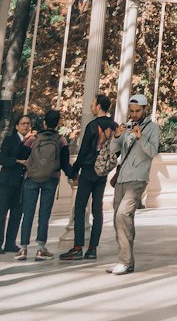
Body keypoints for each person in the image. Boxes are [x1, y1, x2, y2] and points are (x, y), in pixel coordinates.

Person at [106, 94, 160, 275]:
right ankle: (126, 261)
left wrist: (140, 137)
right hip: (122, 178)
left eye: (138, 111)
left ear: (145, 109)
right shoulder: (125, 127)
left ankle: (125, 260)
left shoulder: (152, 128)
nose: (134, 114)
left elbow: (152, 152)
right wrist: (116, 136)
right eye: (132, 111)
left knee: (123, 214)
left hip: (138, 178)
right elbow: (113, 151)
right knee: (119, 219)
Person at [60, 93, 116, 261]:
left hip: (88, 171)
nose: (91, 107)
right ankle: (92, 249)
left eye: (93, 104)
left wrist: (73, 171)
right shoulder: (114, 126)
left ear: (99, 106)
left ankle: (77, 248)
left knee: (79, 208)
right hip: (102, 172)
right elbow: (117, 150)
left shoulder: (92, 126)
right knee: (97, 210)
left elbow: (83, 151)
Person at [18, 108, 72, 260]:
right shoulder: (61, 140)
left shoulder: (34, 138)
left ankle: (23, 248)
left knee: (28, 213)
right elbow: (64, 162)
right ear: (58, 123)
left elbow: (20, 154)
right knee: (44, 214)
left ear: (44, 122)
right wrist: (72, 174)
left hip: (32, 178)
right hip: (51, 178)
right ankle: (41, 248)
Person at [0, 114, 33, 252]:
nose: (26, 126)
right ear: (17, 126)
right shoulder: (10, 139)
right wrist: (17, 161)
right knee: (2, 213)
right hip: (7, 182)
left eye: (28, 123)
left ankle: (10, 242)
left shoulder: (31, 142)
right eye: (23, 123)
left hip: (22, 183)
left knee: (16, 214)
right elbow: (2, 158)